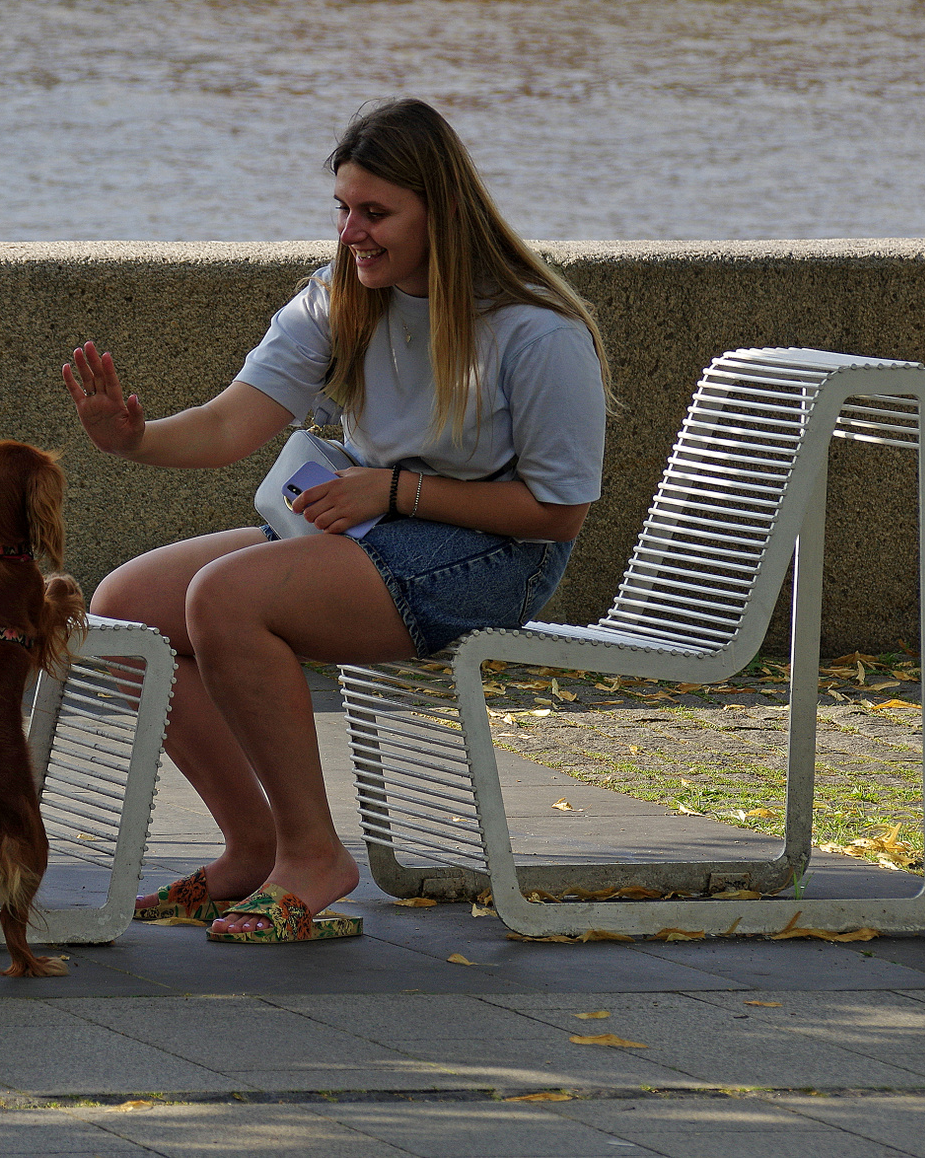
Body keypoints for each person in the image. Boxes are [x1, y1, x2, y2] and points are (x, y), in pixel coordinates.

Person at [63, 98, 610, 943]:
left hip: (499, 554)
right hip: (368, 523)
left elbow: (559, 512)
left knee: (227, 598)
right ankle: (252, 847)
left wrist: (394, 491)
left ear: (441, 212)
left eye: (375, 213)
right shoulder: (340, 300)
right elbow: (228, 423)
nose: (352, 232)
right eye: (344, 209)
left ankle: (314, 856)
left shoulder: (535, 331)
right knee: (128, 605)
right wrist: (132, 439)